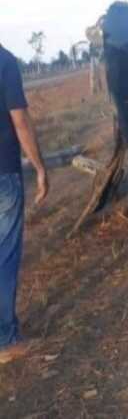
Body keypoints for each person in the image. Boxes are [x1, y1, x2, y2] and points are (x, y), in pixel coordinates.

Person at [0, 43, 48, 364]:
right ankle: (5, 340)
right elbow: (20, 121)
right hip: (3, 174)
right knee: (4, 256)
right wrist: (40, 167)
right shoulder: (4, 61)